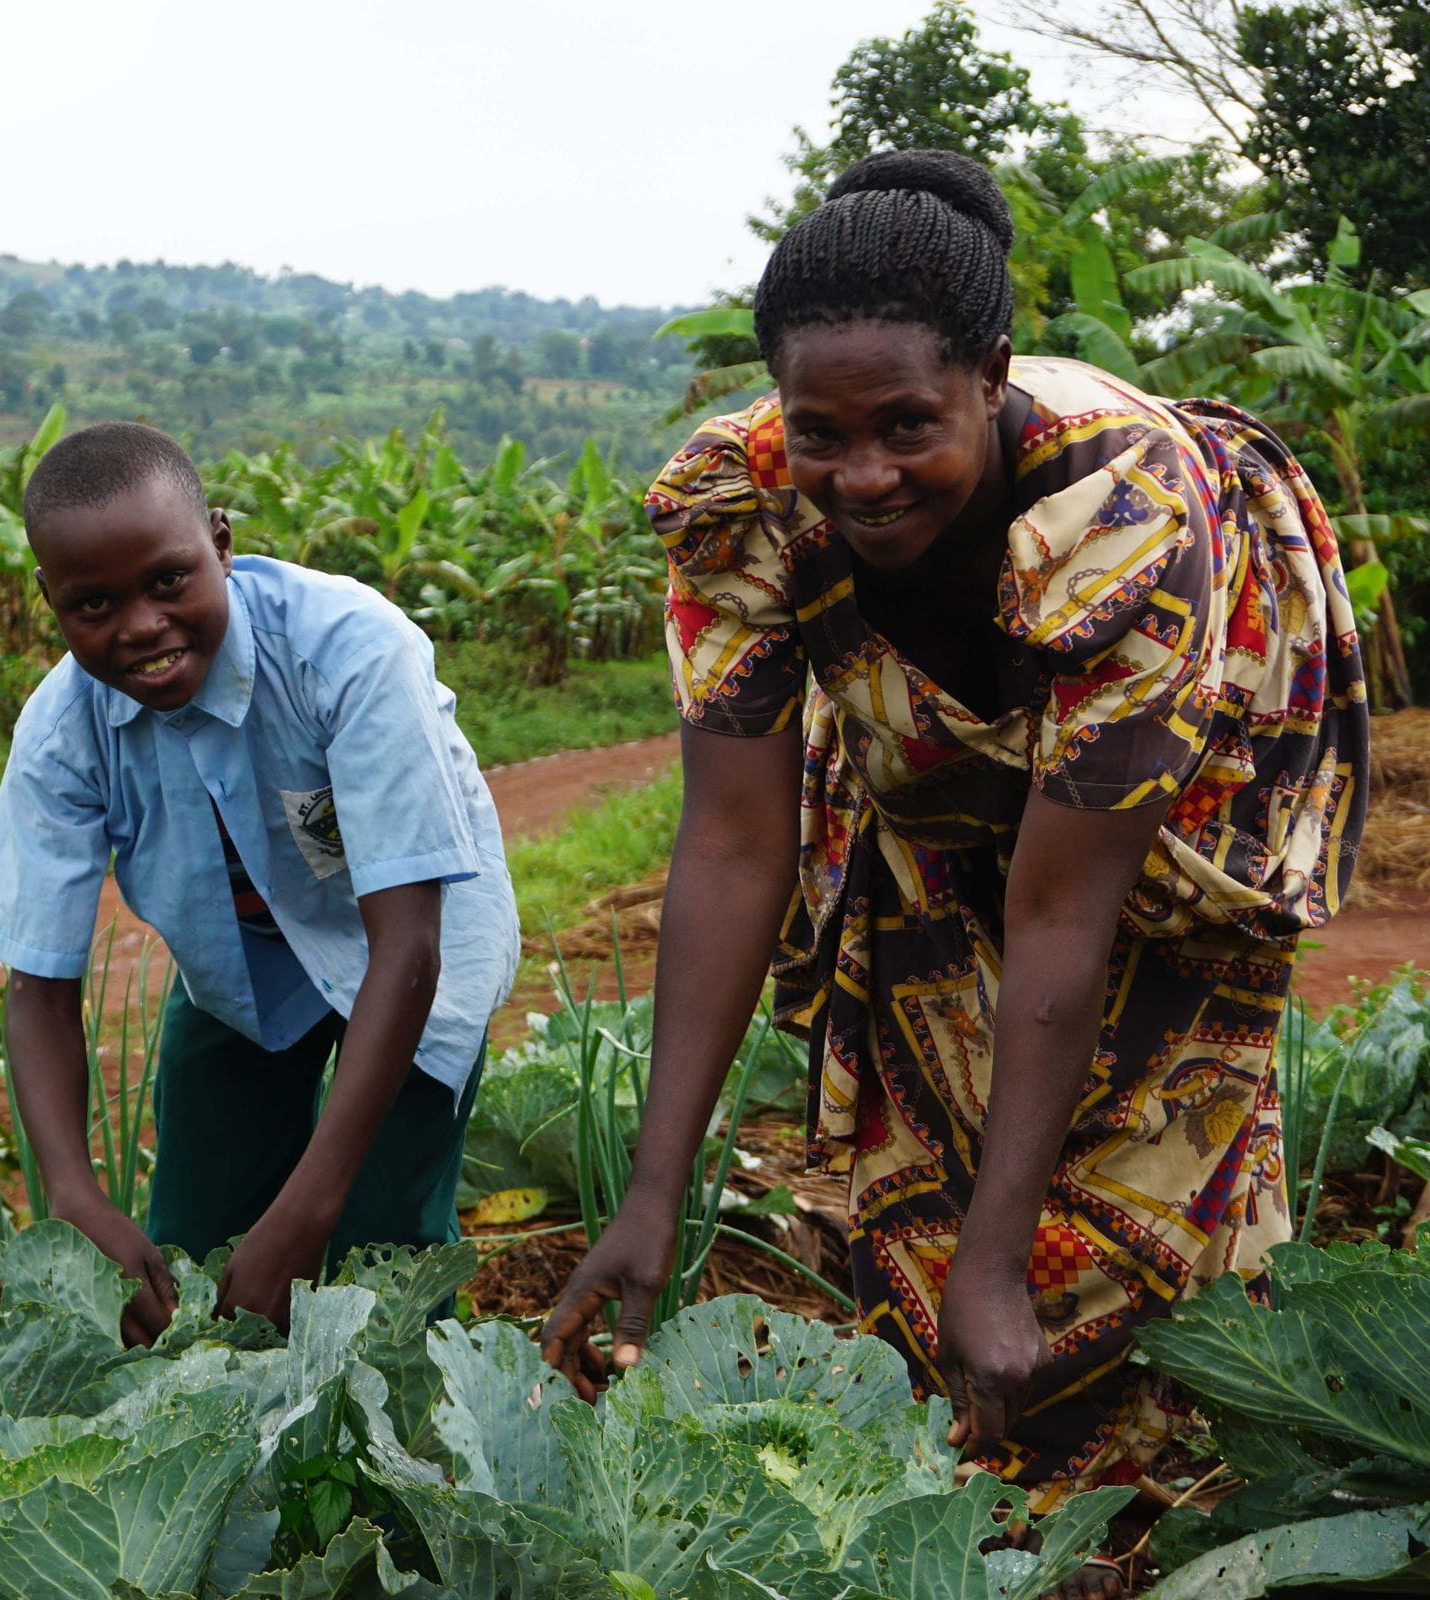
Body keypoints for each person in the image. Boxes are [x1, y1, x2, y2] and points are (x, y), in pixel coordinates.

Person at [540, 150, 1367, 1594]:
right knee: (918, 1157)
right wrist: (652, 1191)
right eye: (823, 433)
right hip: (922, 774)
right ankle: (964, 1526)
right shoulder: (741, 502)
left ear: (991, 378)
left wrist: (1002, 1263)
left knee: (1138, 1160)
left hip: (1174, 795)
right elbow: (733, 844)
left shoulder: (1127, 509)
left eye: (908, 426)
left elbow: (1068, 904)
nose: (863, 475)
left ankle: (1145, 1532)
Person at [0, 421, 518, 1346]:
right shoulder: (64, 727)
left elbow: (407, 946)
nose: (140, 626)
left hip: (415, 961)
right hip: (241, 970)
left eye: (170, 580)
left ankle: (403, 1470)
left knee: (380, 1257)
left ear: (221, 543)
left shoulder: (349, 651)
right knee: (188, 1251)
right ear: (48, 601)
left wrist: (311, 1208)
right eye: (92, 605)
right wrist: (71, 1193)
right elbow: (39, 983)